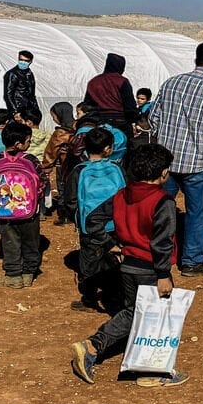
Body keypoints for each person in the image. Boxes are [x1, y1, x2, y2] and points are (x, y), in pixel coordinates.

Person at [68, 144, 189, 388]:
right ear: (164, 173)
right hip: (151, 269)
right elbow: (162, 241)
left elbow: (93, 221)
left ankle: (95, 347)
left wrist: (111, 243)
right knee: (152, 317)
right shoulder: (162, 201)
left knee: (134, 311)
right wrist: (164, 274)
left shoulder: (121, 195)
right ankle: (145, 369)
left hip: (127, 266)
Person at [148, 41, 203, 277]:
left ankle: (154, 255)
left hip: (165, 164)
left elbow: (153, 120)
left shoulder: (171, 83)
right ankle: (192, 261)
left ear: (196, 59)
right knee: (198, 213)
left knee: (159, 209)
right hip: (198, 165)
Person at [61, 127, 125, 311]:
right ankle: (114, 296)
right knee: (114, 260)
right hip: (115, 225)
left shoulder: (79, 171)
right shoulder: (116, 168)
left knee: (89, 263)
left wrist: (79, 221)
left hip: (89, 229)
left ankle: (89, 299)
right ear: (108, 149)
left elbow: (71, 201)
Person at [0, 121, 45, 288]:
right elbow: (42, 182)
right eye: (28, 140)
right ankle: (29, 273)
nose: (30, 143)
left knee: (10, 241)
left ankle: (13, 275)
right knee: (31, 241)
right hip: (29, 211)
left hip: (5, 212)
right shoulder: (31, 160)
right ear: (19, 144)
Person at [84, 53, 137, 136]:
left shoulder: (93, 82)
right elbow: (130, 106)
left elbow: (87, 105)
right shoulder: (122, 81)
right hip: (120, 123)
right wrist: (133, 120)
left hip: (98, 122)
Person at [3, 50, 38, 120]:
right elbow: (8, 94)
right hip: (18, 109)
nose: (23, 62)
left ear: (30, 61)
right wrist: (15, 111)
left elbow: (32, 94)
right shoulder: (12, 74)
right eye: (21, 60)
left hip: (29, 109)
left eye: (26, 61)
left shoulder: (29, 73)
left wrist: (35, 108)